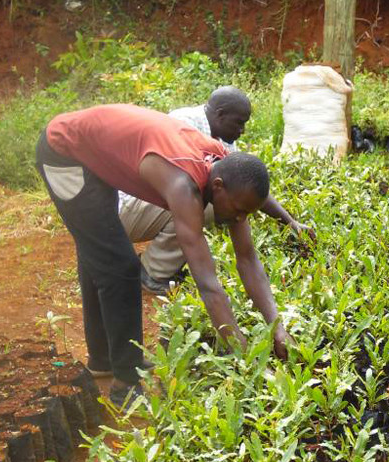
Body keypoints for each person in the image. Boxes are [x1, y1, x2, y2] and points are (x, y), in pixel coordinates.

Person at [36, 103, 292, 403]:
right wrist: (246, 357)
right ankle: (125, 383)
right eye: (238, 212)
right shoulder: (183, 185)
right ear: (218, 186)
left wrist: (278, 327)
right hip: (65, 151)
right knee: (119, 268)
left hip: (97, 150)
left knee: (102, 252)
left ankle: (105, 358)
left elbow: (247, 259)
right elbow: (208, 285)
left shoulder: (229, 170)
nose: (239, 220)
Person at [118, 86, 314, 294]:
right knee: (198, 202)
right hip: (122, 209)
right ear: (220, 115)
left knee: (213, 200)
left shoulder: (221, 140)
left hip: (141, 206)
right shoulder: (184, 124)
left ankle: (160, 265)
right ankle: (151, 275)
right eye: (239, 123)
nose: (242, 130)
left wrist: (290, 222)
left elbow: (242, 183)